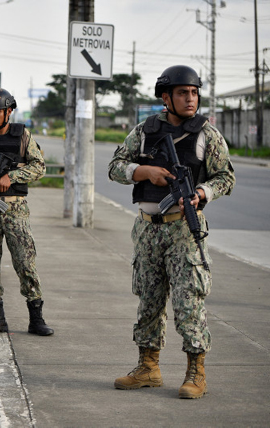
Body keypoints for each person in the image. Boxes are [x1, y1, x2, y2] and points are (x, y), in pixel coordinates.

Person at [108, 65, 235, 399]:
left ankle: (196, 371)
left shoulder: (208, 133)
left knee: (188, 302)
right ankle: (147, 368)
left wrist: (203, 193)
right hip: (148, 229)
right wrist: (143, 171)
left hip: (183, 229)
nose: (190, 98)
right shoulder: (143, 131)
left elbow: (225, 176)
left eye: (194, 92)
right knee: (148, 300)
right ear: (166, 98)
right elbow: (115, 166)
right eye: (182, 92)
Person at [0, 88, 54, 337]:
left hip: (15, 209)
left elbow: (39, 167)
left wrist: (11, 176)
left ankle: (36, 317)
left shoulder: (22, 135)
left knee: (25, 263)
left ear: (9, 111)